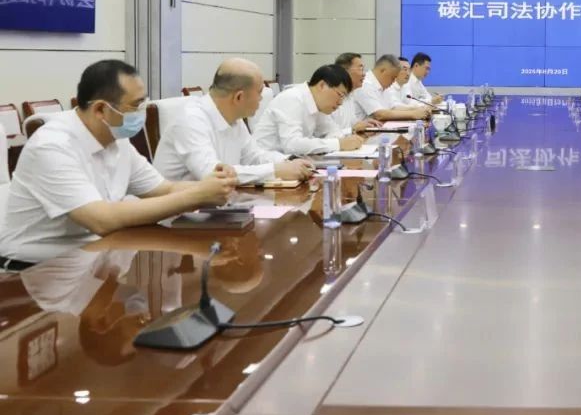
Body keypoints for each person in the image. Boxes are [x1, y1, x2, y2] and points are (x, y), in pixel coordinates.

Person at [0, 60, 237, 267]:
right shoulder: (52, 146)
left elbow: (164, 189)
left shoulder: (116, 139)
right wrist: (196, 196)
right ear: (101, 109)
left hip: (96, 255)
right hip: (34, 270)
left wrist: (214, 185)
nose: (142, 112)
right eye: (136, 105)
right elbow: (102, 220)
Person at [154, 58, 315, 185]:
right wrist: (275, 171)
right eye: (259, 92)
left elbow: (254, 157)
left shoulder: (234, 119)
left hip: (217, 206)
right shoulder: (191, 121)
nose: (261, 98)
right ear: (239, 97)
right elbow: (213, 175)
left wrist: (288, 162)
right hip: (179, 214)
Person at [253, 64, 369, 155]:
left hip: (292, 162)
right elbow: (292, 145)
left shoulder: (317, 103)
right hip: (268, 163)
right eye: (340, 95)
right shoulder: (292, 98)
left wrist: (346, 141)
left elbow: (332, 131)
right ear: (322, 85)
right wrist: (338, 144)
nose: (340, 103)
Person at [357, 55, 430, 122]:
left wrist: (416, 109)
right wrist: (412, 114)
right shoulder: (365, 84)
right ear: (383, 70)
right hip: (364, 131)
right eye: (393, 77)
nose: (394, 81)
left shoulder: (383, 85)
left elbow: (393, 107)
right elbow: (379, 115)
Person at [331, 52, 383, 130]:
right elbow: (328, 134)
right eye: (360, 69)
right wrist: (353, 130)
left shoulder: (350, 95)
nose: (364, 74)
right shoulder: (331, 98)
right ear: (345, 71)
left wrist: (363, 123)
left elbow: (351, 122)